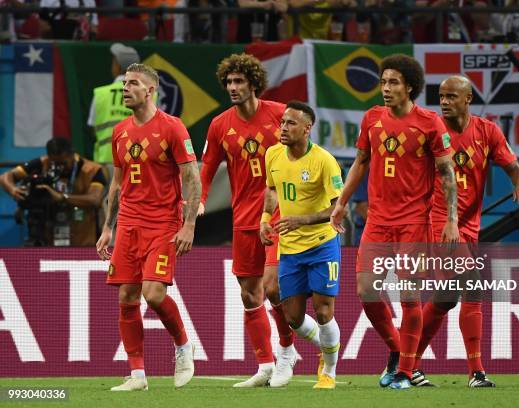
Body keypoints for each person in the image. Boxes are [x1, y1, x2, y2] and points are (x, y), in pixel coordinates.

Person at [330, 54, 459, 389]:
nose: (385, 89)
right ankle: (401, 353)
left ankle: (403, 372)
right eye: (383, 82)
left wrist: (452, 220)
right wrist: (342, 202)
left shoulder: (430, 122)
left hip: (414, 222)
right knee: (366, 291)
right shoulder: (371, 119)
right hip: (377, 220)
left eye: (393, 83)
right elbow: (360, 162)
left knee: (409, 296)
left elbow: (447, 173)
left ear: (410, 87)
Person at [411, 75, 519, 388]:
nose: (445, 102)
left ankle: (406, 363)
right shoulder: (432, 130)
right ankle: (476, 371)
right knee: (473, 286)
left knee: (446, 298)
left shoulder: (487, 131)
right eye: (441, 96)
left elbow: (513, 165)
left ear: (468, 100)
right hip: (440, 221)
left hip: (469, 224)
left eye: (452, 96)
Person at [96, 63, 201, 391]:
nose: (126, 89)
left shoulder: (172, 127)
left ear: (150, 90)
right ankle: (137, 375)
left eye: (133, 84)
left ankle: (184, 345)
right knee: (127, 295)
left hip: (163, 223)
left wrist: (189, 224)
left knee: (154, 294)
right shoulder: (120, 131)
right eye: (125, 83)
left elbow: (191, 176)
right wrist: (107, 228)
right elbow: (116, 183)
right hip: (128, 222)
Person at [199, 53, 297, 388]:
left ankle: (286, 351)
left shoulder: (280, 115)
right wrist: (198, 201)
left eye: (239, 81)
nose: (233, 87)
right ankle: (265, 365)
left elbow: (305, 153)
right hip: (243, 217)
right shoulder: (219, 125)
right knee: (248, 293)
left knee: (273, 287)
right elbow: (208, 168)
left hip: (279, 214)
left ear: (254, 83)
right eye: (229, 82)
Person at [261, 101, 343, 389]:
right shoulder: (272, 154)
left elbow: (337, 208)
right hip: (290, 249)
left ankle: (329, 371)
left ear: (307, 129)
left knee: (323, 312)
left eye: (291, 123)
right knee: (293, 317)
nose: (283, 128)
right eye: (282, 122)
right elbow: (271, 188)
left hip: (322, 244)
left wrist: (302, 220)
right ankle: (329, 345)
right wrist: (265, 218)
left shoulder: (324, 160)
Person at [0, 137, 106, 246]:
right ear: (49, 157)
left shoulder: (92, 170)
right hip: (49, 239)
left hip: (83, 240)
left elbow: (95, 199)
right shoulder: (41, 163)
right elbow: (5, 177)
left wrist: (61, 197)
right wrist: (13, 189)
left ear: (72, 154)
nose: (60, 167)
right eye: (55, 163)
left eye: (64, 163)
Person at [88, 43, 141, 164]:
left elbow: (92, 129)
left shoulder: (101, 94)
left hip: (106, 161)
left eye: (113, 63)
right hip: (137, 161)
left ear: (118, 67)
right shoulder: (149, 95)